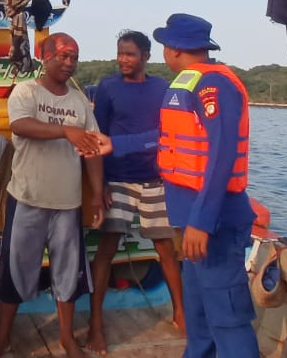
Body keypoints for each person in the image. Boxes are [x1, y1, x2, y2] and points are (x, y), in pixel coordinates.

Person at [0, 33, 112, 358]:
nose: (69, 63)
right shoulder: (26, 92)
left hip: (67, 203)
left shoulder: (79, 101)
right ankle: (3, 338)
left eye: (74, 58)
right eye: (64, 56)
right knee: (13, 271)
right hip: (26, 198)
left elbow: (93, 148)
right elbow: (21, 126)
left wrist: (96, 194)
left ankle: (67, 339)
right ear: (45, 56)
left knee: (67, 275)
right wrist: (66, 131)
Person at [153, 13, 259, 358]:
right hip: (191, 220)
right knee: (198, 319)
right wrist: (114, 144)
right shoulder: (189, 82)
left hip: (214, 222)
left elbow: (223, 150)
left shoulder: (215, 85)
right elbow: (170, 140)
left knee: (227, 320)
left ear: (174, 49)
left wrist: (202, 221)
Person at [85, 30, 183, 355]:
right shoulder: (108, 87)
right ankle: (95, 325)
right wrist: (99, 189)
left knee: (165, 248)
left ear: (145, 56)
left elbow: (169, 132)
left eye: (129, 54)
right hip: (118, 180)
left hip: (154, 180)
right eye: (119, 53)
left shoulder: (162, 88)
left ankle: (181, 313)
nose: (122, 59)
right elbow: (98, 137)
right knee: (107, 250)